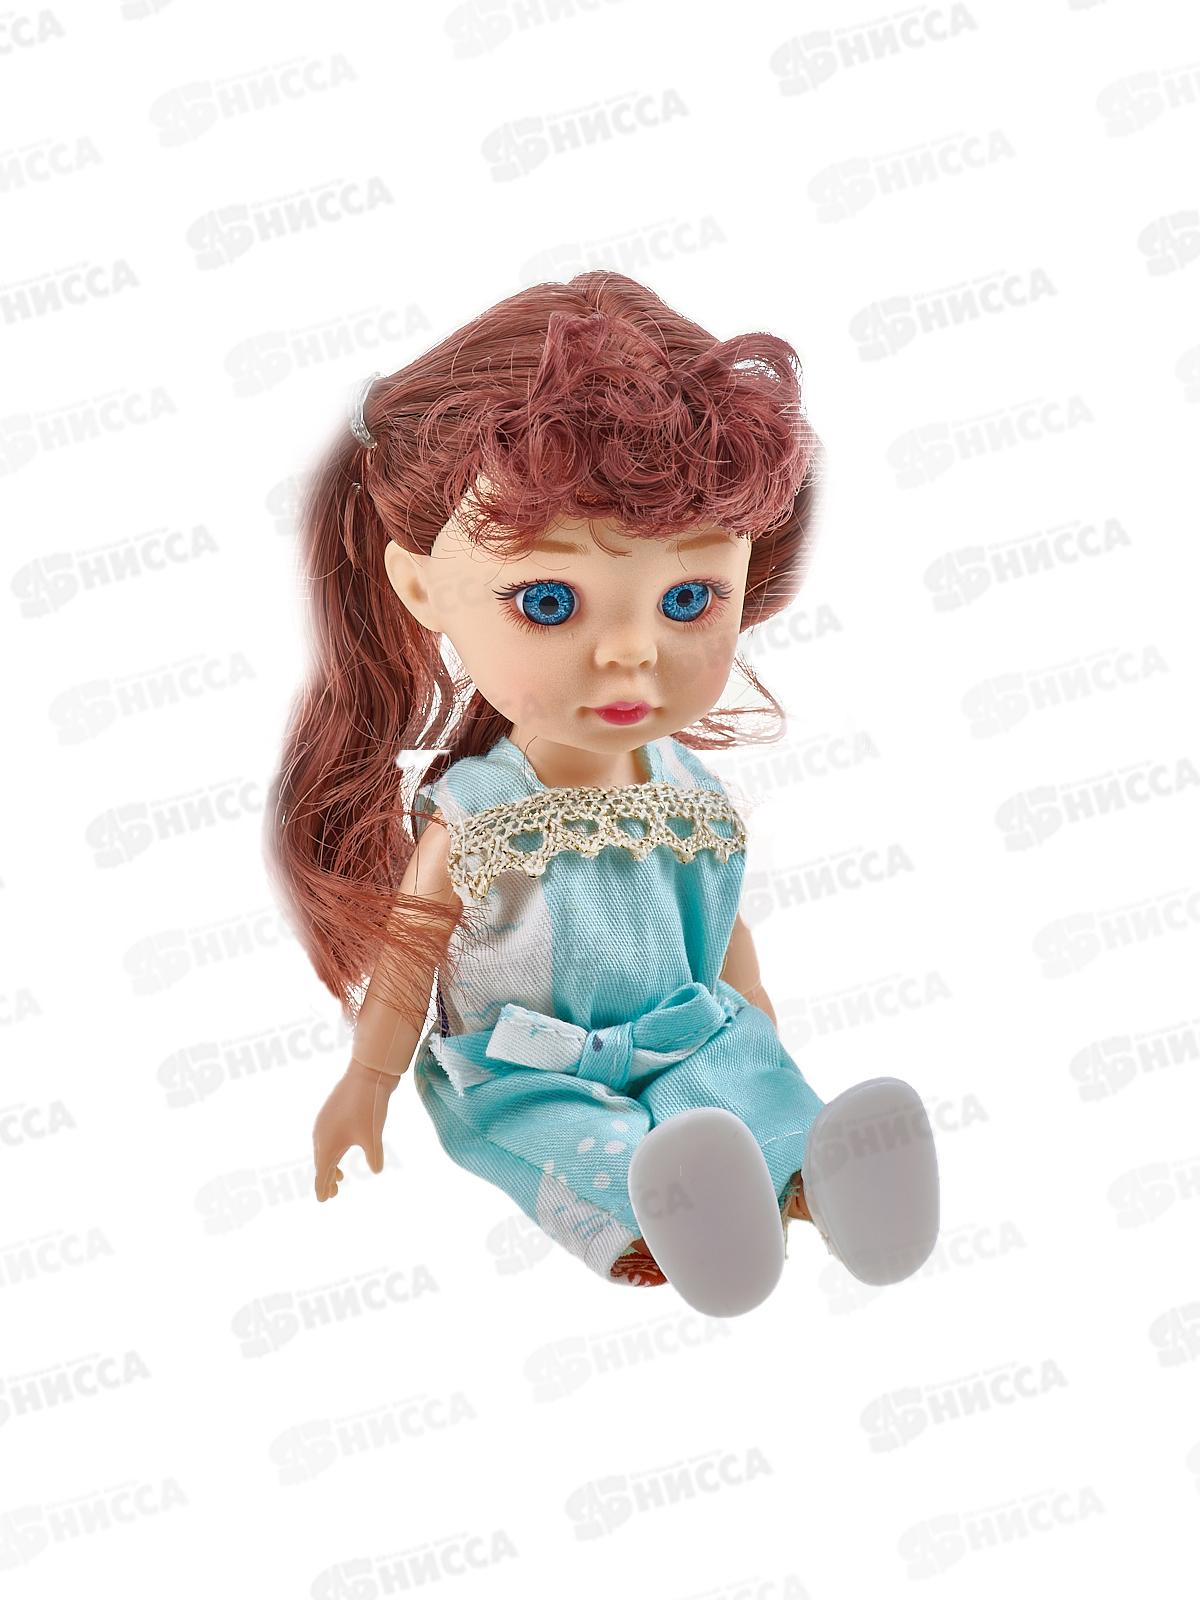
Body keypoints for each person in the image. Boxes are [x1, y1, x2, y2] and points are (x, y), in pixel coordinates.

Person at [265, 271, 939, 1314]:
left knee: (746, 1088)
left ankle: (818, 1172)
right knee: (576, 1141)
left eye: (689, 597)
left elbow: (725, 933)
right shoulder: (478, 818)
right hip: (528, 1066)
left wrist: (759, 1035)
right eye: (549, 600)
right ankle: (674, 1218)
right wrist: (369, 1082)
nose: (631, 653)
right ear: (421, 587)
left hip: (686, 1032)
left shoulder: (692, 794)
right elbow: (410, 958)